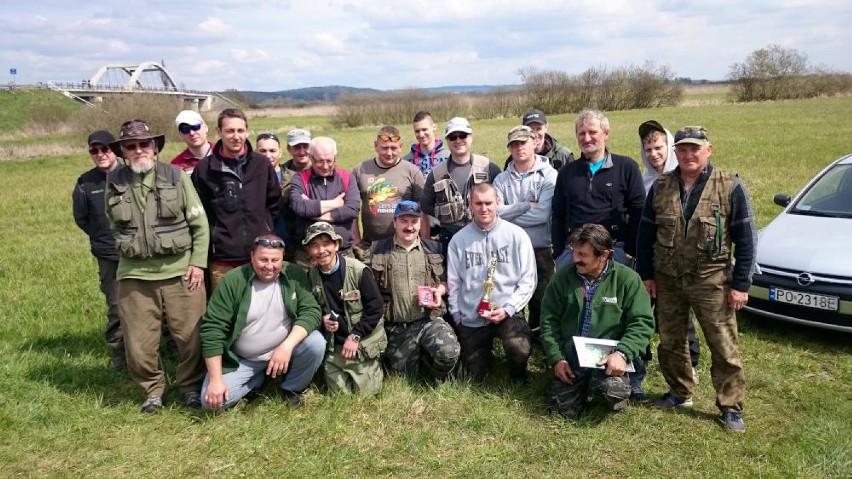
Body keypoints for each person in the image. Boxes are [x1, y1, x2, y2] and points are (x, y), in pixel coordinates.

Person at [636, 125, 757, 433]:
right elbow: (645, 234)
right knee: (670, 339)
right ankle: (679, 391)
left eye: (695, 149)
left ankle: (730, 406)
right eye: (683, 149)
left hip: (712, 280)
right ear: (675, 153)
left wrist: (741, 284)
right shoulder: (661, 186)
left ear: (708, 150)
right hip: (668, 279)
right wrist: (647, 276)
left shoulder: (729, 185)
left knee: (723, 344)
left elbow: (746, 239)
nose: (688, 154)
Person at [104, 119, 209, 413]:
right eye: (131, 146)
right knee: (138, 343)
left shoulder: (176, 176)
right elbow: (113, 223)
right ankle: (152, 391)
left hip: (180, 272)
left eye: (144, 144)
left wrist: (197, 263)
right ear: (123, 151)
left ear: (155, 147)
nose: (138, 150)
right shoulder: (115, 181)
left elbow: (199, 223)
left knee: (191, 337)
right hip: (134, 275)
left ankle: (190, 386)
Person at [540, 224, 654, 419]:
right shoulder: (562, 278)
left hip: (610, 360)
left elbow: (642, 323)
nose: (576, 259)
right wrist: (557, 358)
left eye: (583, 255)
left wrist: (623, 354)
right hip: (572, 358)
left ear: (604, 255)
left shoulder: (628, 280)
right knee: (563, 412)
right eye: (574, 252)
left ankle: (618, 386)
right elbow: (548, 322)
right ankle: (581, 385)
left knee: (613, 393)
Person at [199, 234, 326, 410]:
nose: (269, 266)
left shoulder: (294, 273)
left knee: (316, 343)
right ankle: (258, 379)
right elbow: (213, 329)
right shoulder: (232, 281)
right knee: (211, 403)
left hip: (284, 351)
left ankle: (292, 388)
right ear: (252, 256)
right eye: (263, 259)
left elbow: (311, 311)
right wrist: (215, 379)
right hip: (245, 359)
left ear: (283, 258)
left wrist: (286, 346)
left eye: (275, 260)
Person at [632, 120, 702, 401]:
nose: (653, 154)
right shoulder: (643, 180)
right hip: (648, 258)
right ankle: (642, 356)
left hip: (679, 262)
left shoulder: (683, 179)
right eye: (648, 149)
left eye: (658, 147)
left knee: (677, 315)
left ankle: (690, 362)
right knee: (642, 310)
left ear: (669, 148)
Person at [447, 184, 535, 381]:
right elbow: (454, 283)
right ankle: (484, 356)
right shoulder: (458, 240)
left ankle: (517, 376)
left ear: (498, 203)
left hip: (507, 311)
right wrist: (457, 315)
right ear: (470, 204)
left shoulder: (517, 235)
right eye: (478, 203)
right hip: (471, 314)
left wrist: (509, 309)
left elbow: (528, 280)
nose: (484, 208)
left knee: (518, 347)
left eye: (488, 203)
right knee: (474, 376)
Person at [368, 201, 460, 380]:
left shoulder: (435, 249)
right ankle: (418, 358)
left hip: (428, 320)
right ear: (394, 222)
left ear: (420, 223)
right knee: (403, 378)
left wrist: (439, 291)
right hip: (396, 326)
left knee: (449, 351)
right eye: (404, 221)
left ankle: (439, 379)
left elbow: (448, 281)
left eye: (414, 221)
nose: (409, 227)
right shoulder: (377, 250)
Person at [191, 108, 281, 289]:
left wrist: (265, 228)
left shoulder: (261, 164)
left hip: (260, 255)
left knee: (260, 310)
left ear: (247, 131)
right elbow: (200, 212)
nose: (236, 136)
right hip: (223, 258)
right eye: (230, 131)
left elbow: (275, 203)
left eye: (240, 131)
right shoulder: (204, 169)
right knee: (226, 311)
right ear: (218, 132)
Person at [551, 109, 645, 269]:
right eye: (581, 133)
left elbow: (638, 212)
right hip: (575, 255)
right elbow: (557, 215)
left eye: (592, 132)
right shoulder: (567, 173)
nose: (586, 138)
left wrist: (630, 251)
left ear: (606, 133)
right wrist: (560, 254)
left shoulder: (626, 168)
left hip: (616, 253)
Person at [303, 222, 386, 396]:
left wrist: (355, 336)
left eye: (326, 244)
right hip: (335, 345)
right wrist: (323, 319)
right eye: (315, 246)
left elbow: (376, 308)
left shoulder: (358, 270)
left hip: (362, 341)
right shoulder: (311, 276)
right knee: (339, 397)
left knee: (366, 397)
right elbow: (312, 309)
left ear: (336, 245)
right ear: (309, 250)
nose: (321, 251)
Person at [493, 125, 558, 336]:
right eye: (514, 144)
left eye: (523, 142)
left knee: (543, 296)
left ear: (533, 143)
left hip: (541, 247)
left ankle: (540, 336)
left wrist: (509, 215)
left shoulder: (549, 176)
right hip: (510, 249)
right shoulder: (501, 180)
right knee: (511, 294)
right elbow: (495, 214)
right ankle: (515, 335)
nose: (519, 147)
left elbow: (542, 214)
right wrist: (524, 205)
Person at [72, 130, 124, 370]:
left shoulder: (130, 174)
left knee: (155, 301)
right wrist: (103, 238)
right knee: (116, 305)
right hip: (108, 255)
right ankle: (119, 353)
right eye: (95, 150)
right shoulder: (85, 182)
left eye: (105, 149)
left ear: (115, 149)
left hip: (139, 251)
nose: (101, 154)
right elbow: (81, 219)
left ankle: (167, 348)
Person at [421, 117, 501, 254]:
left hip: (484, 238)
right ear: (447, 141)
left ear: (471, 137)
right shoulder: (436, 174)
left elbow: (502, 203)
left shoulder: (489, 168)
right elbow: (426, 206)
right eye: (453, 137)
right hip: (450, 240)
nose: (458, 140)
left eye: (463, 135)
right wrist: (446, 212)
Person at [289, 137, 360, 269]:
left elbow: (352, 209)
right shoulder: (300, 179)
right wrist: (335, 203)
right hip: (308, 258)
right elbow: (299, 206)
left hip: (343, 252)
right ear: (311, 157)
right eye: (320, 161)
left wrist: (316, 213)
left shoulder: (347, 177)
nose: (325, 166)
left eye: (329, 161)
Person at [352, 126, 424, 253]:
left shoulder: (412, 172)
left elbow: (423, 211)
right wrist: (357, 241)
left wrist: (424, 241)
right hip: (369, 246)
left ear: (400, 147)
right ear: (376, 145)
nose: (389, 153)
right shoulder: (360, 170)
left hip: (403, 246)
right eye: (384, 148)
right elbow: (352, 210)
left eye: (394, 148)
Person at [277, 129, 313, 259]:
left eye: (306, 146)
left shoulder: (323, 170)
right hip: (288, 241)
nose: (302, 151)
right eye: (297, 147)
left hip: (316, 239)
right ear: (289, 149)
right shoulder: (280, 173)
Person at [503, 109, 574, 171]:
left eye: (538, 129)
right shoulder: (514, 159)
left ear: (546, 127)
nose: (535, 134)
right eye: (531, 130)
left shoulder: (564, 156)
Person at [402, 111, 449, 178]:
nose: (421, 135)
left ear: (434, 127)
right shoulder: (406, 161)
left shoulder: (448, 157)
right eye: (417, 131)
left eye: (424, 129)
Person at [170, 110, 213, 174]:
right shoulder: (176, 166)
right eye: (185, 130)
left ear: (205, 127)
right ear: (180, 135)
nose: (192, 133)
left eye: (195, 126)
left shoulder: (224, 153)